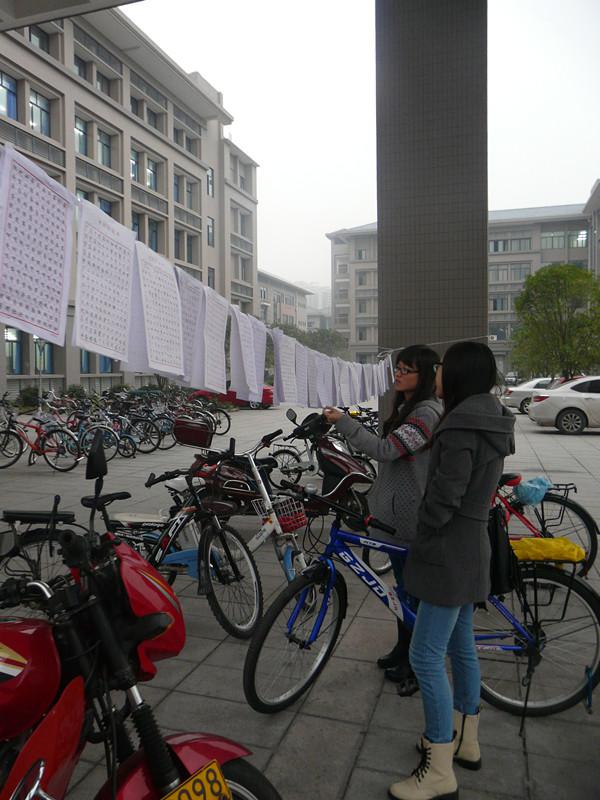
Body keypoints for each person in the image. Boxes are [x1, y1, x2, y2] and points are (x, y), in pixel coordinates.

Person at [388, 341, 515, 800]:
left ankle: (439, 765)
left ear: (458, 374)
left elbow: (445, 497)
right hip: (470, 548)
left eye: (442, 368)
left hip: (447, 553)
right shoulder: (489, 417)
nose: (435, 374)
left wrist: (423, 527)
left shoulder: (460, 426)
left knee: (425, 656)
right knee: (461, 646)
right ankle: (465, 740)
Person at [323, 344, 443, 693]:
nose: (398, 374)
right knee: (404, 590)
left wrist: (344, 423)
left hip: (412, 517)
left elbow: (387, 449)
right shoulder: (408, 407)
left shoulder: (426, 413)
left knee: (412, 592)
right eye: (398, 368)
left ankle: (416, 663)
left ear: (424, 375)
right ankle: (403, 649)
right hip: (398, 514)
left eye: (406, 369)